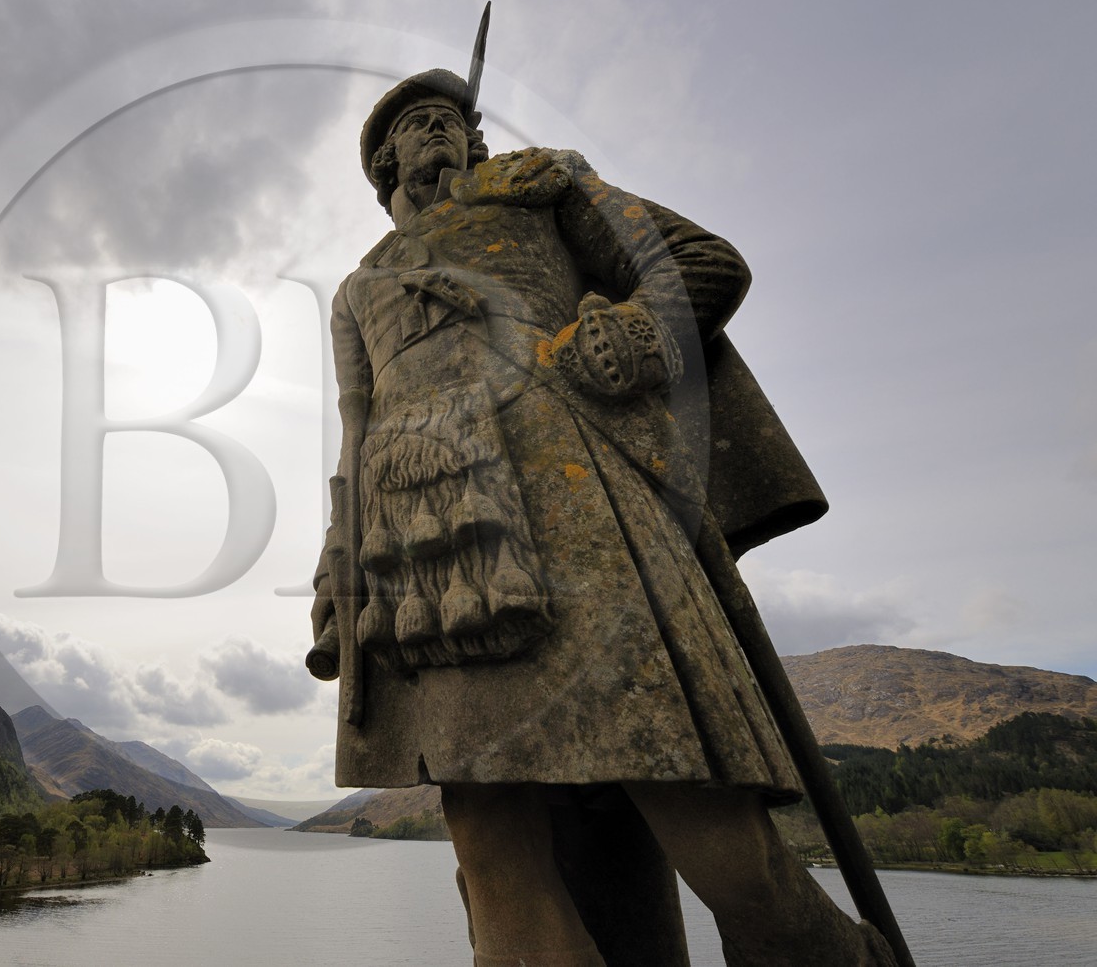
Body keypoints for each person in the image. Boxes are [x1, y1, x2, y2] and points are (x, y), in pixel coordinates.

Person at [305, 68, 898, 967]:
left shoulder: (538, 190)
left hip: (568, 492)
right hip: (414, 542)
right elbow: (356, 429)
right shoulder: (358, 288)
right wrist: (336, 558)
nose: (430, 135)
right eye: (410, 129)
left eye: (443, 120)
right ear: (387, 163)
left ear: (471, 138)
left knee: (717, 840)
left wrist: (625, 336)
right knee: (491, 851)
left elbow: (700, 263)